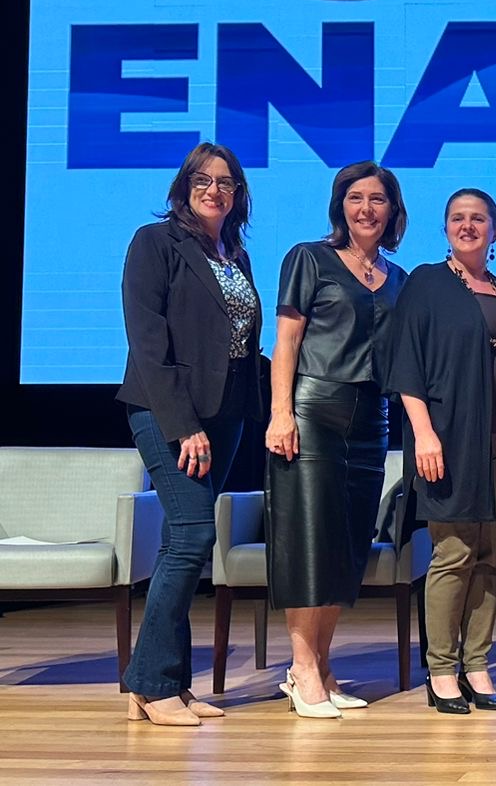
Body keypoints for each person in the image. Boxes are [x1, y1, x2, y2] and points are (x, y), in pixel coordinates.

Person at [117, 143, 262, 726]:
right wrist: (183, 427)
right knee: (194, 535)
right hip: (166, 412)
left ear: (238, 194)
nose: (214, 190)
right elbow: (148, 343)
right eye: (202, 180)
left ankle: (168, 683)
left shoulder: (235, 255)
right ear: (184, 187)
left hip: (225, 414)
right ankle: (151, 685)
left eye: (225, 182)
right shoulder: (155, 243)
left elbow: (240, 345)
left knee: (183, 539)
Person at [264, 161, 409, 718]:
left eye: (377, 199)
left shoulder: (397, 277)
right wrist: (281, 414)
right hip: (313, 410)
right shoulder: (310, 258)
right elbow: (286, 340)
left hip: (372, 418)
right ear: (340, 206)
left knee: (347, 547)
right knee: (309, 542)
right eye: (355, 198)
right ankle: (302, 668)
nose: (366, 208)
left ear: (393, 211)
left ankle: (322, 666)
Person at [388, 189, 496, 715]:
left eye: (478, 218)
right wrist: (424, 433)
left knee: (490, 559)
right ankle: (442, 670)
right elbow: (406, 363)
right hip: (449, 444)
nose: (467, 226)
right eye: (457, 218)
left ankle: (477, 663)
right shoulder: (427, 283)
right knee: (453, 555)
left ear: (495, 230)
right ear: (446, 227)